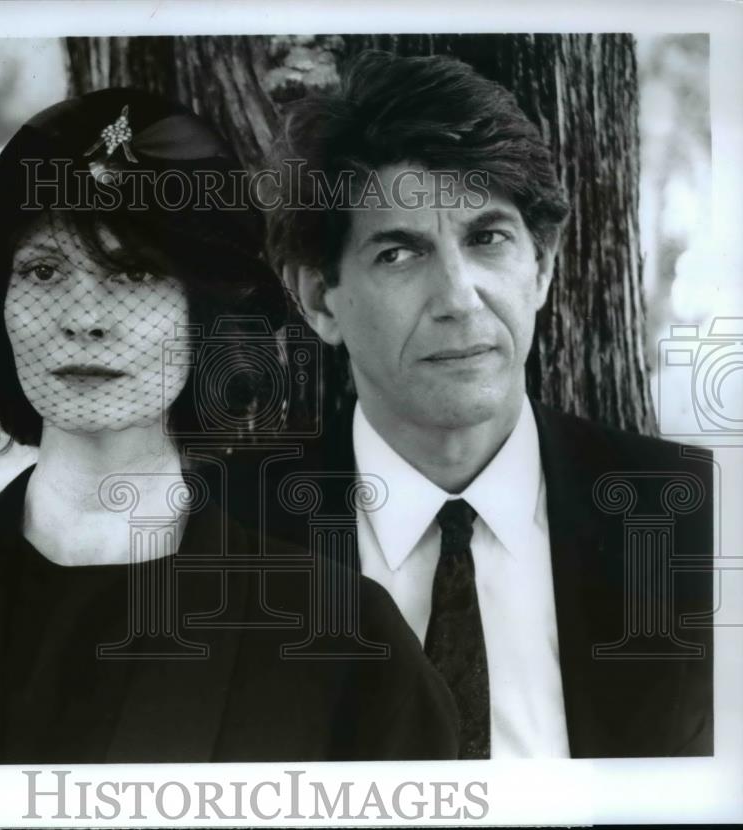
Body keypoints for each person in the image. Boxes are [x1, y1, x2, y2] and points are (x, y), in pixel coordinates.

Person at [0, 88, 459, 765]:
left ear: (207, 319)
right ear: (2, 310)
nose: (83, 318)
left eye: (134, 272)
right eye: (44, 271)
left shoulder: (345, 643)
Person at [264, 51, 714, 759]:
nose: (459, 298)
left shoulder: (700, 519)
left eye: (488, 239)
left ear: (541, 266)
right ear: (320, 299)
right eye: (399, 254)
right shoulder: (221, 540)